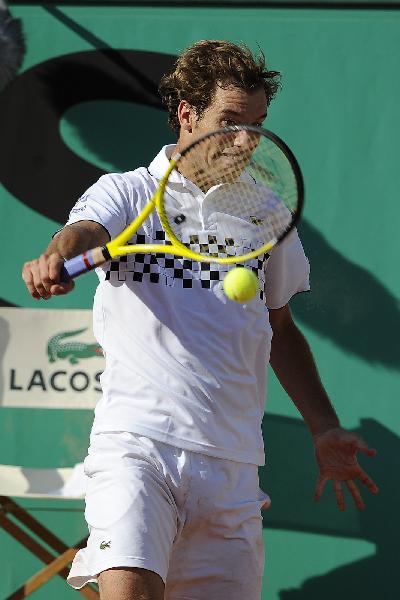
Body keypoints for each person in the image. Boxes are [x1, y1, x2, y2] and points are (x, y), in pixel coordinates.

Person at [22, 40, 378, 600]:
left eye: (257, 124)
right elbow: (85, 232)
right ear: (187, 114)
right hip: (138, 447)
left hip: (233, 466)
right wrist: (57, 253)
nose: (245, 141)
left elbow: (279, 329)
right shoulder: (128, 191)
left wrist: (324, 427)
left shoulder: (265, 212)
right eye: (229, 122)